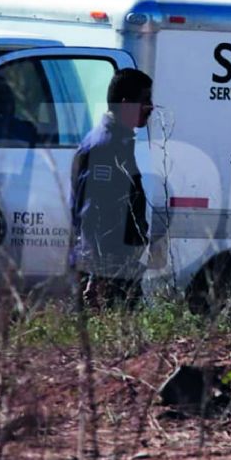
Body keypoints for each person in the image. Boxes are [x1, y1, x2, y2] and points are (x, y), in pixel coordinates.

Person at [71, 68, 153, 307]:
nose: (151, 107)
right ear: (126, 104)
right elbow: (92, 216)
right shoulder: (104, 147)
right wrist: (98, 276)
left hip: (119, 267)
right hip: (106, 272)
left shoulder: (120, 141)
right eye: (145, 100)